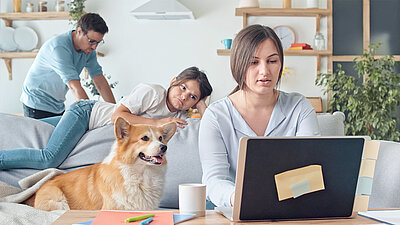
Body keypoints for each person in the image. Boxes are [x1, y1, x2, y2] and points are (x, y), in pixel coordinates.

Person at [198, 24, 321, 208]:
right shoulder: (216, 116)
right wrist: (239, 199)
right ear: (239, 64)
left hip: (291, 207)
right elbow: (214, 180)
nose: (264, 71)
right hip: (235, 209)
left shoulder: (299, 107)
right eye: (253, 62)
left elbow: (312, 170)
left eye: (272, 61)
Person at [0, 66, 212, 170]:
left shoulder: (179, 115)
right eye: (182, 87)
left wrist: (202, 103)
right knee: (50, 158)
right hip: (86, 114)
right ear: (173, 81)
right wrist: (157, 123)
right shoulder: (153, 92)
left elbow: (210, 124)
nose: (184, 96)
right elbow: (118, 115)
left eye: (192, 96)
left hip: (90, 121)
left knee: (27, 127)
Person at [20, 13, 116, 119]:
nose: (94, 47)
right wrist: (91, 117)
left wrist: (115, 111)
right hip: (36, 103)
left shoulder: (89, 51)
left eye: (98, 42)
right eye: (91, 41)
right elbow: (74, 87)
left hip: (57, 105)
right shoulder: (59, 48)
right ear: (79, 31)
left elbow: (100, 82)